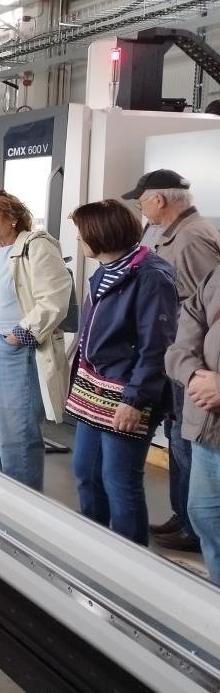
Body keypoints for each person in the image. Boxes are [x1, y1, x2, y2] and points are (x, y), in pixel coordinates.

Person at [66, 199, 177, 546]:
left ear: (101, 233)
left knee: (119, 479)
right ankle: (94, 545)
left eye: (82, 232)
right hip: (94, 388)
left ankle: (128, 558)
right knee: (86, 471)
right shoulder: (106, 270)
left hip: (128, 392)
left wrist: (135, 400)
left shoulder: (151, 276)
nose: (79, 239)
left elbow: (157, 346)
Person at [124, 169, 220, 552]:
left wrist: (192, 366)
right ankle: (184, 516)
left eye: (142, 202)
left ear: (159, 200)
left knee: (185, 440)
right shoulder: (172, 233)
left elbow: (202, 309)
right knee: (179, 436)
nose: (142, 210)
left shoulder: (192, 238)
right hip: (181, 360)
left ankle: (192, 528)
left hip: (193, 367)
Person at [0, 191, 72, 490]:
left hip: (15, 347)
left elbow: (55, 298)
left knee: (17, 431)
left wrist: (21, 334)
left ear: (12, 216)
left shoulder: (37, 246)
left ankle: (21, 500)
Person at [166, 266, 220, 583]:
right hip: (208, 429)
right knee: (205, 518)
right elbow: (184, 334)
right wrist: (192, 374)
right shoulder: (215, 276)